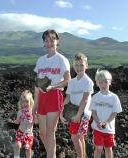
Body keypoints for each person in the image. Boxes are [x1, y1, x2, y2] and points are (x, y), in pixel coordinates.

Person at [33, 29, 71, 158]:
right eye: (46, 40)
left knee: (50, 133)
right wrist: (34, 106)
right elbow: (37, 85)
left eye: (52, 40)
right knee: (42, 133)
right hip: (42, 97)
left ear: (57, 41)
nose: (49, 43)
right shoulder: (40, 60)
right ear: (44, 42)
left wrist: (53, 86)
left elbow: (67, 80)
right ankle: (52, 154)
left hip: (54, 96)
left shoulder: (62, 60)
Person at [60, 53, 94, 158]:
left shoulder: (88, 82)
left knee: (75, 137)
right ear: (73, 66)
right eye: (77, 65)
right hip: (72, 113)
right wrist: (62, 113)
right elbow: (68, 98)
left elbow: (85, 99)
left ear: (86, 65)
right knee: (79, 138)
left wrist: (79, 115)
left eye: (81, 65)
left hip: (83, 114)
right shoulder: (71, 82)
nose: (79, 68)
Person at [89, 69, 122, 158]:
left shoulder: (114, 98)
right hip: (97, 128)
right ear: (97, 83)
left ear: (110, 82)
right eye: (101, 82)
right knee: (98, 148)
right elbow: (93, 111)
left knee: (108, 148)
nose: (103, 85)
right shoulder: (95, 97)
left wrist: (106, 122)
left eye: (105, 82)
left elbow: (114, 112)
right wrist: (97, 121)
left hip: (109, 129)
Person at [9, 90, 34, 158]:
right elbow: (17, 121)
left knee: (28, 149)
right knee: (17, 145)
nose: (25, 104)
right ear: (21, 102)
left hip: (29, 134)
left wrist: (36, 117)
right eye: (23, 102)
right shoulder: (20, 112)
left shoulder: (33, 112)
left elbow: (37, 122)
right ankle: (16, 156)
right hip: (20, 132)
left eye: (27, 101)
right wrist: (13, 121)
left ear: (30, 102)